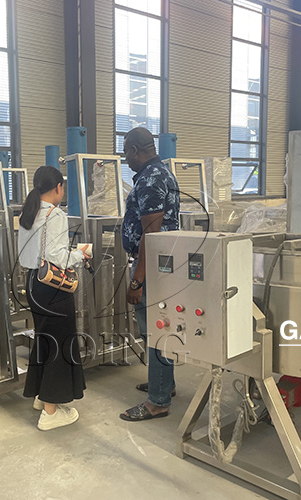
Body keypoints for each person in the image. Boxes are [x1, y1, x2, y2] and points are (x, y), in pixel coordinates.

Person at [18, 166, 92, 431]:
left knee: (44, 339)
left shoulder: (28, 212)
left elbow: (35, 253)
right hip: (53, 289)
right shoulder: (55, 214)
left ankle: (41, 396)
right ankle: (51, 412)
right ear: (58, 187)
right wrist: (81, 254)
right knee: (59, 344)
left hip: (33, 283)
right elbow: (57, 257)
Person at [119, 127, 180, 422]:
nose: (125, 159)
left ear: (134, 149)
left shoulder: (151, 178)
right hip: (160, 264)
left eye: (125, 153)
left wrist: (137, 280)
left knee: (157, 330)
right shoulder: (161, 172)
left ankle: (157, 402)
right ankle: (165, 385)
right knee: (159, 328)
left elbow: (151, 235)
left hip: (154, 268)